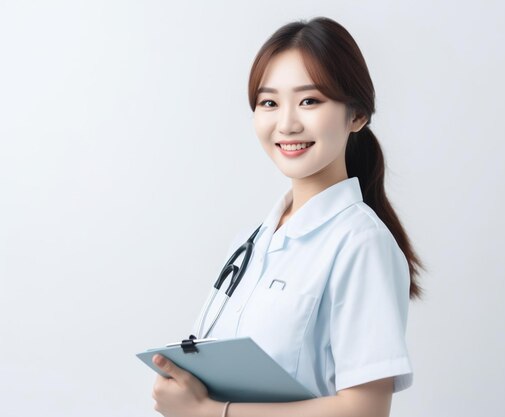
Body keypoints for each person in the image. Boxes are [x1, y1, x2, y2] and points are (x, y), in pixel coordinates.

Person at [150, 16, 424, 417]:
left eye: (310, 100)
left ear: (357, 115)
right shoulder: (251, 242)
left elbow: (365, 410)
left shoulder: (361, 243)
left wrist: (211, 413)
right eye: (269, 102)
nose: (287, 123)